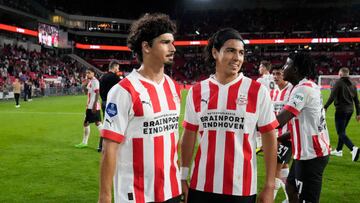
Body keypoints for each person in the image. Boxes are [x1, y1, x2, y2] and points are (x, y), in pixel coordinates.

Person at [181, 28, 278, 203]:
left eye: (241, 52)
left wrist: (270, 185)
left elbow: (270, 137)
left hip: (241, 188)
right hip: (201, 185)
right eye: (231, 51)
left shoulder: (257, 91)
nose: (237, 58)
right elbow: (188, 135)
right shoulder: (197, 91)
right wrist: (183, 177)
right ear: (215, 52)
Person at [99, 13, 182, 203]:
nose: (173, 48)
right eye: (165, 42)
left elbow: (172, 139)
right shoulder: (123, 91)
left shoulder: (172, 86)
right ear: (146, 46)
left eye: (172, 42)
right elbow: (109, 148)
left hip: (172, 190)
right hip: (135, 195)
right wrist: (104, 196)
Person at [276, 51, 330, 203]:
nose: (283, 68)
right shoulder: (308, 85)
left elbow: (280, 121)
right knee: (291, 187)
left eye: (287, 64)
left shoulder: (302, 89)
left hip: (311, 154)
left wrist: (251, 121)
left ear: (296, 69)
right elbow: (307, 123)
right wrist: (281, 137)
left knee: (307, 199)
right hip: (307, 152)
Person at [324, 67, 360, 162]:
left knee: (340, 132)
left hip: (341, 111)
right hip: (350, 110)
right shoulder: (353, 83)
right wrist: (358, 113)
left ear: (340, 74)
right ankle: (339, 150)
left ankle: (353, 149)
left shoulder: (338, 83)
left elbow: (332, 96)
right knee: (342, 130)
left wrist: (325, 106)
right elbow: (356, 100)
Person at [270, 66, 294, 201]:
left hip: (288, 137)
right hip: (276, 136)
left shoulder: (291, 90)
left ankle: (270, 198)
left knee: (275, 168)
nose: (275, 76)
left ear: (284, 74)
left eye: (278, 73)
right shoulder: (273, 92)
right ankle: (290, 198)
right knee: (284, 166)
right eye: (273, 74)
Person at [75, 68, 102, 148]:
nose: (87, 74)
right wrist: (83, 85)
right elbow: (86, 93)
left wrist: (94, 105)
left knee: (87, 123)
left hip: (92, 106)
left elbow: (97, 93)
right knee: (97, 123)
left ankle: (85, 142)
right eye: (86, 73)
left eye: (89, 73)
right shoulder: (90, 82)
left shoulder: (95, 81)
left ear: (93, 73)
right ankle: (105, 140)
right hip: (90, 105)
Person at [98, 60, 121, 152]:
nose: (118, 69)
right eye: (118, 67)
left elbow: (100, 91)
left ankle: (101, 146)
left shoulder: (102, 76)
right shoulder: (115, 77)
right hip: (112, 104)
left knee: (106, 124)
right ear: (114, 67)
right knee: (116, 124)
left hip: (104, 102)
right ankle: (114, 146)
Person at [256, 60, 276, 153]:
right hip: (275, 105)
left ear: (264, 68)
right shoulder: (274, 77)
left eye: (260, 67)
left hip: (264, 105)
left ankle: (261, 145)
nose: (259, 68)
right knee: (273, 126)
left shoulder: (260, 80)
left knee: (261, 126)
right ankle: (274, 144)